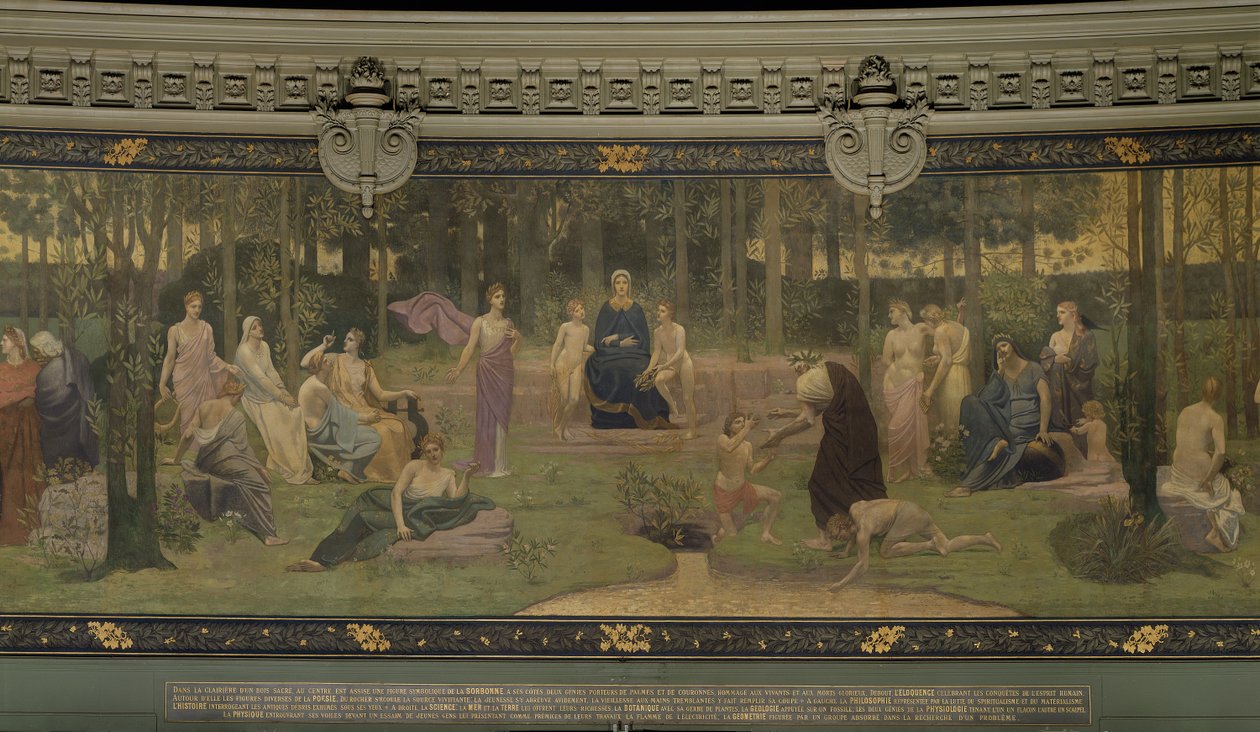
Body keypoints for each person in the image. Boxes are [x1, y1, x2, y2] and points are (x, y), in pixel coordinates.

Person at [286, 432, 495, 572]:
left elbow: (455, 499)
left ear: (442, 450)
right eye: (429, 451)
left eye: (436, 450)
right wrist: (400, 524)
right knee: (357, 514)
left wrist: (467, 476)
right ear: (424, 453)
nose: (433, 454)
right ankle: (318, 558)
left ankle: (324, 562)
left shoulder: (448, 474)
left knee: (363, 519)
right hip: (398, 508)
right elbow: (396, 494)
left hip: (417, 516)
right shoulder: (414, 466)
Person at [762, 358, 888, 550]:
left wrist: (779, 435)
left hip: (842, 434)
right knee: (856, 479)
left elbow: (808, 419)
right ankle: (881, 522)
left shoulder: (804, 383)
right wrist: (787, 412)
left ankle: (825, 540)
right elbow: (820, 405)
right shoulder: (825, 370)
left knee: (819, 483)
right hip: (856, 429)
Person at [163, 380, 288, 546]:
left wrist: (176, 460)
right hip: (227, 463)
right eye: (240, 398)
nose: (239, 401)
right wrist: (259, 468)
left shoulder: (204, 406)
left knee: (245, 483)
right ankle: (268, 535)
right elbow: (244, 448)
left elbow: (187, 435)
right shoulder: (236, 416)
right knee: (261, 486)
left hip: (205, 463)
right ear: (235, 395)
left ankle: (263, 530)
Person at [947, 336, 1062, 498]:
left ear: (1013, 345)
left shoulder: (1033, 368)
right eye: (998, 349)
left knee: (998, 452)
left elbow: (1045, 398)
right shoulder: (1001, 372)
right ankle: (998, 442)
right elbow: (985, 400)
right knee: (969, 401)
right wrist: (1000, 372)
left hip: (1028, 425)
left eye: (1004, 345)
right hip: (1007, 424)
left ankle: (967, 486)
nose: (1001, 350)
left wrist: (1043, 429)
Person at [303, 328, 419, 483]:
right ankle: (359, 471)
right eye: (346, 338)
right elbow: (305, 362)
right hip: (345, 413)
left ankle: (396, 474)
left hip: (365, 409)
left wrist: (403, 393)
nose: (345, 341)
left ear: (358, 344)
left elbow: (380, 394)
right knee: (383, 431)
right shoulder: (334, 360)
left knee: (398, 426)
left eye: (350, 339)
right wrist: (324, 346)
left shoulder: (366, 367)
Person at [825, 499, 1001, 591]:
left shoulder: (863, 531)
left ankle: (929, 545)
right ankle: (985, 539)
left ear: (843, 526)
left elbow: (863, 565)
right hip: (913, 509)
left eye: (838, 536)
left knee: (885, 551)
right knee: (946, 546)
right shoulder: (855, 508)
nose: (839, 539)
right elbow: (852, 532)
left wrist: (841, 584)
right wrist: (847, 551)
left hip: (905, 515)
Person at [1160, 377, 1245, 552]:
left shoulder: (1185, 411)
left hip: (1179, 471)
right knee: (1230, 491)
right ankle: (1215, 533)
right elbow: (1221, 451)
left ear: (1202, 391)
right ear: (1219, 395)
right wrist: (1208, 479)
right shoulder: (1215, 418)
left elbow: (1188, 443)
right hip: (1198, 474)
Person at [445, 283, 519, 477]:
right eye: (497, 296)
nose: (501, 299)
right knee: (487, 415)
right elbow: (470, 348)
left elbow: (511, 354)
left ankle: (500, 465)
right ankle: (488, 464)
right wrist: (459, 369)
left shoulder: (509, 324)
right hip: (487, 372)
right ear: (490, 300)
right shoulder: (480, 322)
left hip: (505, 373)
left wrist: (518, 339)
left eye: (503, 296)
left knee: (502, 415)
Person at [583, 269, 673, 430]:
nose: (621, 286)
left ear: (628, 285)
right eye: (618, 282)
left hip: (635, 352)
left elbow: (643, 339)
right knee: (609, 369)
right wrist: (619, 344)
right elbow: (600, 341)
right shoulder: (606, 308)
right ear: (613, 286)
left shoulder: (636, 309)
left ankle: (639, 418)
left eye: (624, 282)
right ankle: (609, 420)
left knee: (640, 368)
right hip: (609, 355)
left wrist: (617, 336)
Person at [234, 316, 314, 484]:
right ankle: (289, 469)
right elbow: (260, 378)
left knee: (294, 415)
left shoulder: (264, 346)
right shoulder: (243, 351)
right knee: (278, 425)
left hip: (270, 394)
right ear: (248, 332)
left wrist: (283, 390)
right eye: (254, 327)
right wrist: (281, 397)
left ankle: (300, 468)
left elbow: (270, 371)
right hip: (255, 397)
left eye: (260, 325)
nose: (259, 328)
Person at [158, 290, 240, 435]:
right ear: (186, 306)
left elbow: (211, 357)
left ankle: (206, 447)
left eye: (199, 307)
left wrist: (227, 366)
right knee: (188, 419)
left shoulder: (206, 328)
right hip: (184, 379)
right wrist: (162, 384)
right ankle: (189, 447)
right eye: (193, 306)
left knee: (207, 416)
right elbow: (169, 359)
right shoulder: (175, 331)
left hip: (203, 379)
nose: (197, 310)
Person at [298, 350, 382, 484]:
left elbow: (335, 411)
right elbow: (340, 412)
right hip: (323, 433)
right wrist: (367, 418)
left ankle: (348, 468)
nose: (329, 362)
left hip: (323, 428)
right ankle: (349, 468)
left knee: (371, 432)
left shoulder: (313, 382)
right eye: (325, 361)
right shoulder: (319, 387)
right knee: (374, 438)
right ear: (319, 366)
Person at [0, 327, 45, 545]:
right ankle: (11, 530)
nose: (2, 344)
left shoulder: (34, 368)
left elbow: (40, 394)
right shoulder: (1, 370)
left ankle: (34, 527)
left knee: (31, 473)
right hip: (7, 433)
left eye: (5, 340)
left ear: (17, 343)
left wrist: (26, 398)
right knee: (10, 477)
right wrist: (24, 396)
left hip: (30, 432)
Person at [29, 330, 98, 468]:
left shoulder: (47, 374)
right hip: (77, 425)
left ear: (46, 349)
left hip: (58, 434)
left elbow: (43, 403)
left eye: (37, 352)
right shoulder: (75, 356)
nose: (35, 357)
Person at [882, 299, 931, 482]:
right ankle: (900, 467)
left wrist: (960, 315)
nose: (889, 315)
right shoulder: (891, 335)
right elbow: (886, 360)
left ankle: (902, 468)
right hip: (894, 386)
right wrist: (897, 373)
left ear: (903, 312)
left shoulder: (920, 328)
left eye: (892, 311)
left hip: (914, 385)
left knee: (897, 427)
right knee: (901, 426)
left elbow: (943, 332)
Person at [713, 412, 781, 544]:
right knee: (731, 535)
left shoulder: (747, 445)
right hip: (724, 492)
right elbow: (730, 447)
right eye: (737, 422)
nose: (742, 424)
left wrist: (768, 459)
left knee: (775, 496)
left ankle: (766, 534)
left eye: (743, 422)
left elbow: (752, 470)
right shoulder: (722, 439)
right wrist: (748, 427)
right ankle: (718, 537)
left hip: (742, 488)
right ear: (729, 426)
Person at [1040, 301, 1099, 446]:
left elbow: (1089, 365)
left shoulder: (1086, 336)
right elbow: (1046, 361)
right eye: (1057, 312)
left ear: (1073, 315)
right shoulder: (1055, 336)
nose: (1057, 315)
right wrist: (1055, 360)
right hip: (1058, 389)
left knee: (1080, 427)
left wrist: (1068, 363)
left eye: (1062, 312)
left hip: (1079, 389)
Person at [641, 299, 698, 439]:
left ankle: (693, 431)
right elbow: (656, 352)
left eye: (662, 311)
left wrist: (665, 365)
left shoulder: (679, 329)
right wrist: (648, 369)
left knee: (687, 398)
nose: (658, 313)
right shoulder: (657, 332)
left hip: (683, 363)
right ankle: (672, 403)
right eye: (658, 310)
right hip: (670, 364)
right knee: (658, 380)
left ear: (670, 314)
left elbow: (680, 352)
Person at [919, 299, 971, 435]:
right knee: (961, 417)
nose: (925, 324)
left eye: (925, 321)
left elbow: (947, 360)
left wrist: (929, 391)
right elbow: (954, 348)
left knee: (952, 419)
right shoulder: (954, 325)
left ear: (930, 320)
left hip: (951, 379)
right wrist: (937, 358)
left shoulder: (940, 331)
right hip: (963, 375)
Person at [549, 298, 593, 441]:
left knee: (574, 399)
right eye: (577, 310)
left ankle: (561, 427)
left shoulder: (586, 329)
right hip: (563, 365)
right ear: (571, 313)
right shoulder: (565, 327)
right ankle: (559, 427)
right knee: (564, 400)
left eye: (582, 309)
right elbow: (557, 345)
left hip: (576, 366)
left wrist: (595, 349)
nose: (581, 312)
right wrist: (551, 364)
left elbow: (584, 347)